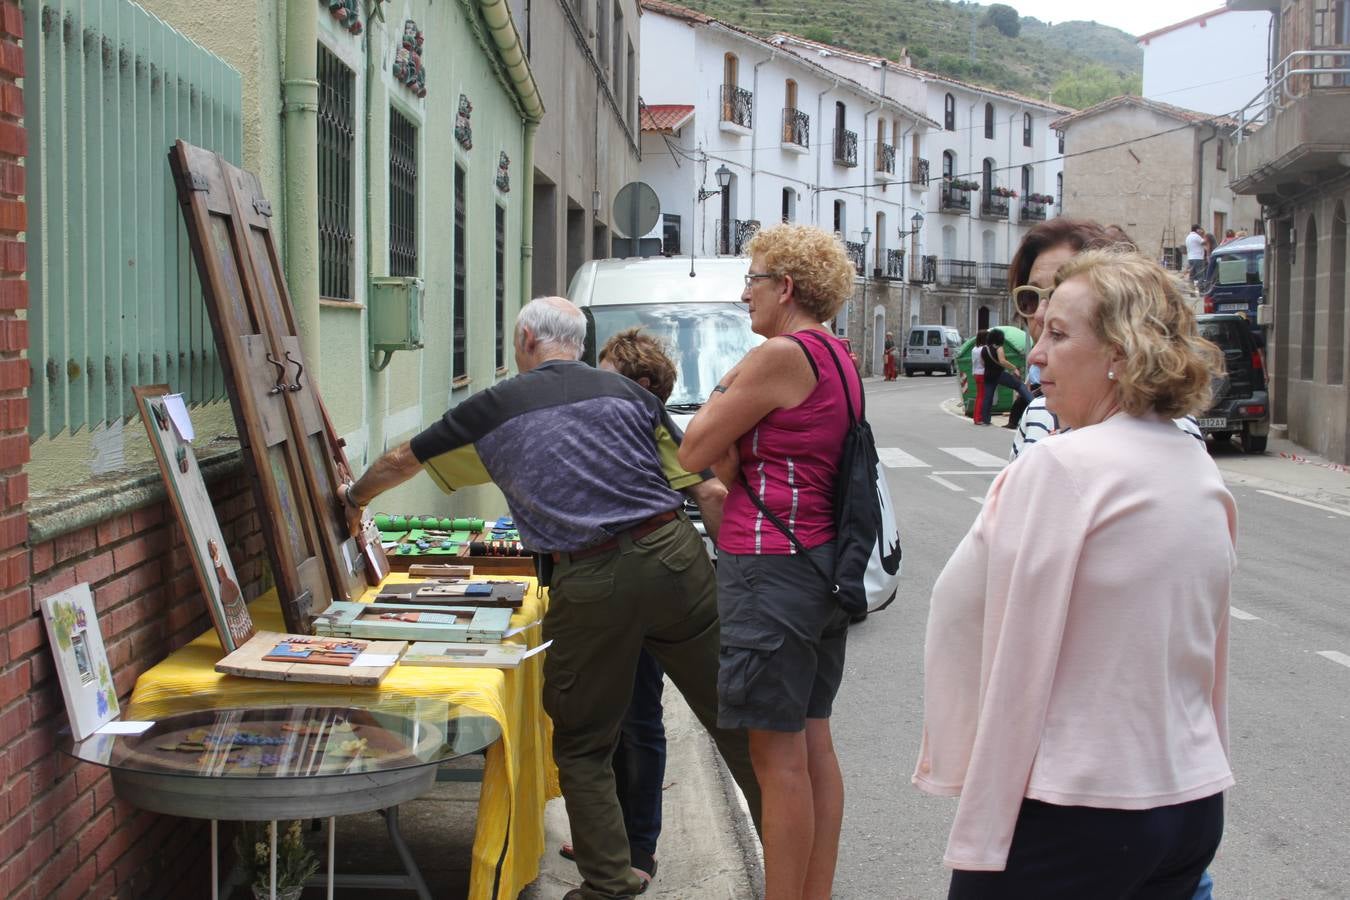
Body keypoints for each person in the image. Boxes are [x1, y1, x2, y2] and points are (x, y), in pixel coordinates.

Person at [338, 297, 762, 900]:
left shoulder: (492, 406)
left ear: (527, 339)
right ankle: (792, 854)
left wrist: (353, 499)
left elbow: (401, 460)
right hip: (674, 556)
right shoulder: (630, 397)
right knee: (732, 721)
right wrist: (736, 586)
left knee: (584, 742)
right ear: (580, 344)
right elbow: (713, 492)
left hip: (591, 577)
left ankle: (609, 884)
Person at [915, 249, 1234, 897]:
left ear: (1123, 351)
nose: (1035, 354)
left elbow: (1016, 658)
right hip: (1190, 798)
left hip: (1080, 804)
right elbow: (1205, 657)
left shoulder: (1063, 466)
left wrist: (985, 811)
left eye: (1059, 335)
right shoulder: (1195, 463)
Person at [679, 223, 858, 900]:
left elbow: (697, 450)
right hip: (818, 565)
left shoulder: (781, 355)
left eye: (752, 281)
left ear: (785, 288)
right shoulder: (835, 353)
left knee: (775, 758)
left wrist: (726, 388)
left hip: (770, 569)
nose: (743, 296)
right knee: (812, 743)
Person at [551, 327, 678, 888]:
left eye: (604, 376)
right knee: (605, 719)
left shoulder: (649, 435)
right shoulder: (612, 430)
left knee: (639, 719)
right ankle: (607, 840)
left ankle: (639, 850)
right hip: (602, 594)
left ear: (642, 385)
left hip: (640, 592)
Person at [1008, 219, 1204, 460]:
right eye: (1030, 297)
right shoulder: (1036, 415)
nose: (1040, 312)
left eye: (1061, 292)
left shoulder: (1171, 435)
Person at [978, 330, 1032, 428]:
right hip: (999, 375)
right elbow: (1002, 361)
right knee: (1019, 385)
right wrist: (1014, 368)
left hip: (988, 375)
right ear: (1000, 338)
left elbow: (982, 363)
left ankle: (985, 420)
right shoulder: (999, 348)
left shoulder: (984, 349)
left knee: (988, 397)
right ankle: (1033, 404)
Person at [970, 330, 988, 423]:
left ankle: (976, 417)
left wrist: (973, 372)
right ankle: (979, 418)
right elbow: (984, 362)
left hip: (976, 373)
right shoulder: (984, 349)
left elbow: (973, 362)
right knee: (983, 396)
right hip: (983, 373)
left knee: (979, 396)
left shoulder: (974, 349)